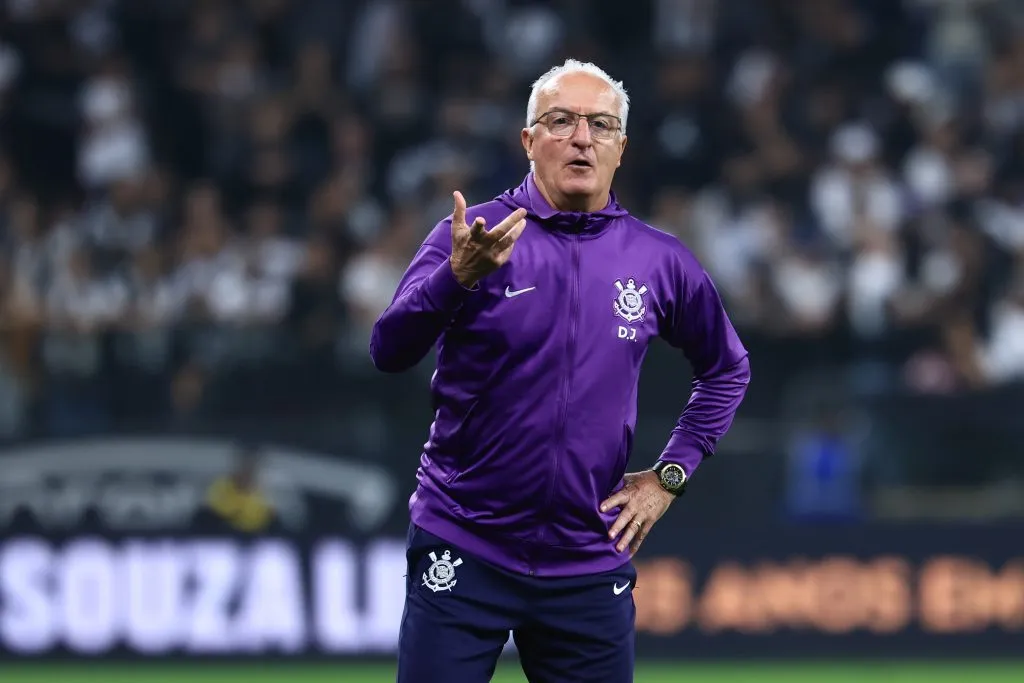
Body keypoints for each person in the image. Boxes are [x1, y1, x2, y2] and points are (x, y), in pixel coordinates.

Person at [370, 59, 750, 683]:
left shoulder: (659, 260)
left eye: (601, 125)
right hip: (466, 542)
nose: (581, 138)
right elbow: (389, 350)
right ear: (528, 140)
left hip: (586, 559)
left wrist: (671, 474)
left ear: (621, 149)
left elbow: (727, 368)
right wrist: (455, 279)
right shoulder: (472, 237)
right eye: (561, 121)